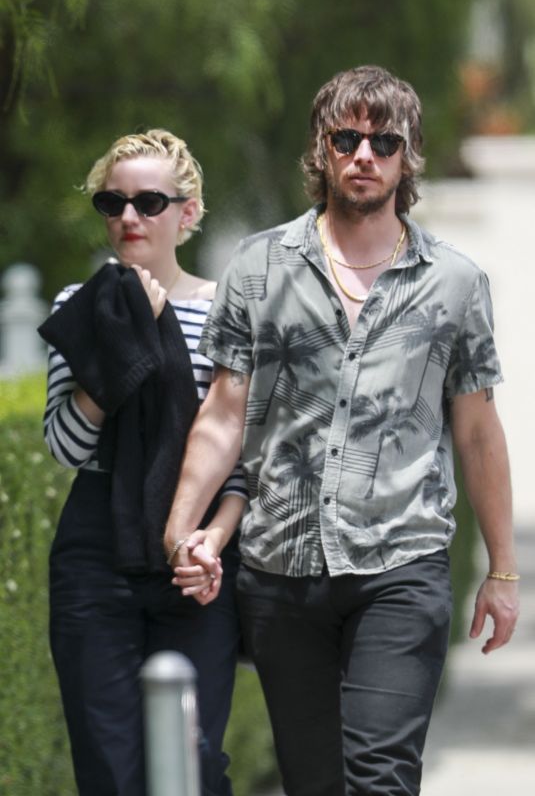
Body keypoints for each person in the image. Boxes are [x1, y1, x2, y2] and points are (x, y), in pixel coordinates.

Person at [163, 66, 520, 796]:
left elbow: (478, 432)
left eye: (383, 140)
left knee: (380, 779)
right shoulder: (257, 266)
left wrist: (502, 571)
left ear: (407, 155)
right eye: (346, 137)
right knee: (314, 783)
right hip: (281, 571)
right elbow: (223, 415)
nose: (364, 154)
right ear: (321, 150)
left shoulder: (453, 283)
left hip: (402, 563)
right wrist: (181, 530)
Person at [38, 129, 247, 796]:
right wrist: (121, 346)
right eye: (113, 202)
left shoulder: (229, 314)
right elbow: (66, 445)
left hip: (196, 551)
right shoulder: (78, 307)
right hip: (96, 546)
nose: (129, 218)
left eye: (149, 202)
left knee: (195, 759)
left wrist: (211, 540)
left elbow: (241, 461)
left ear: (187, 214)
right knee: (110, 767)